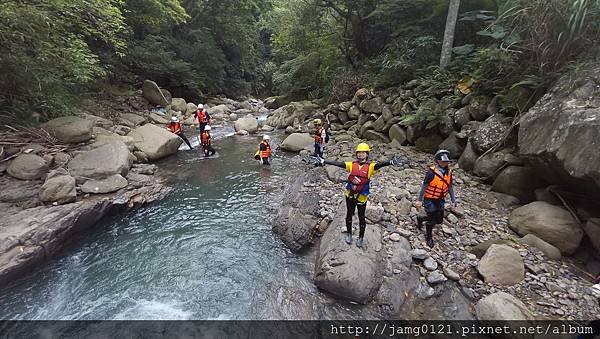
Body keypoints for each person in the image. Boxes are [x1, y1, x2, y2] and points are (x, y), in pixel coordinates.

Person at [315, 143, 402, 248]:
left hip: (362, 196)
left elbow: (380, 165)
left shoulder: (371, 167)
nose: (361, 155)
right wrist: (324, 161)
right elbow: (338, 164)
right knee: (349, 215)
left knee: (361, 217)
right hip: (350, 194)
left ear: (367, 154)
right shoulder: (352, 165)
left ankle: (360, 237)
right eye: (359, 153)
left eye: (363, 153)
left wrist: (390, 162)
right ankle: (349, 233)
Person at [415, 149, 456, 248]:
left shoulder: (449, 173)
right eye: (442, 161)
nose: (444, 163)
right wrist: (419, 200)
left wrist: (453, 200)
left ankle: (420, 218)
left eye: (446, 161)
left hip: (440, 199)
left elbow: (449, 187)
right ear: (437, 161)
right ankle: (429, 237)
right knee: (432, 219)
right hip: (429, 199)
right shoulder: (431, 173)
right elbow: (424, 187)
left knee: (439, 220)